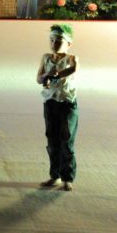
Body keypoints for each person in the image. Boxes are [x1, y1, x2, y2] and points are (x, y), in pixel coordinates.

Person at [37, 24, 79, 190]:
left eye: (59, 40)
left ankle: (68, 176)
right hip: (51, 102)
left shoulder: (72, 59)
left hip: (67, 102)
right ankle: (55, 175)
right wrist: (46, 76)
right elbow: (39, 78)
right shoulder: (46, 58)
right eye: (52, 39)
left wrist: (56, 75)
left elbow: (72, 70)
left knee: (66, 139)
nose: (54, 43)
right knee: (52, 139)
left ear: (69, 44)